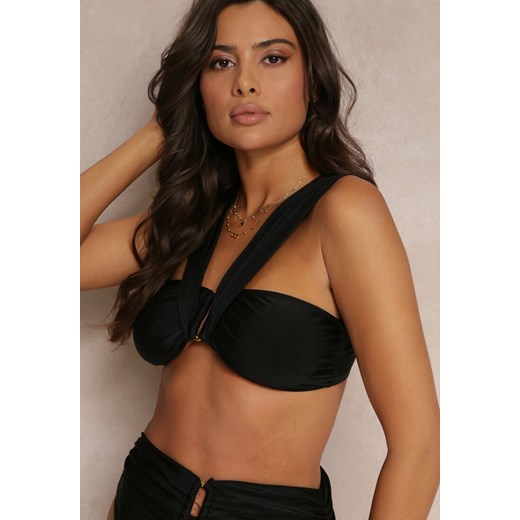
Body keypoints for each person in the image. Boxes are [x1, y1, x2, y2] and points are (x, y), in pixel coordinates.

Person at [81, 0, 439, 518]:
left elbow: (418, 444)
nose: (244, 83)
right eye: (221, 62)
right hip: (142, 497)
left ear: (312, 81)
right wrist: (157, 133)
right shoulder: (190, 218)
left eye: (272, 58)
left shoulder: (344, 211)